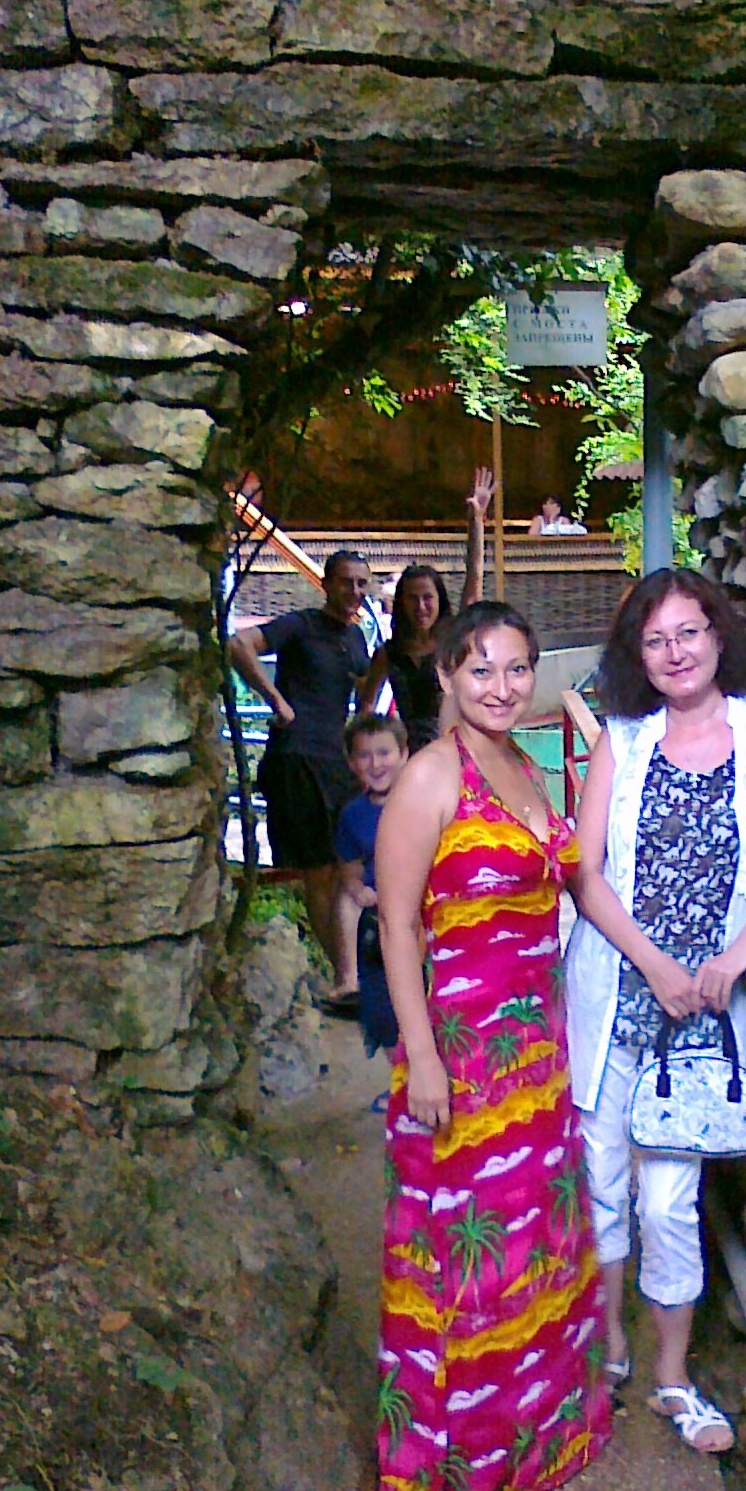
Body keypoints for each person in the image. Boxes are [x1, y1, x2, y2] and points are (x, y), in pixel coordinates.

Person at [371, 600, 612, 1491]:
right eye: (481, 670)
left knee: (531, 1247)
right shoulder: (430, 776)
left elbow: (573, 874)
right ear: (445, 675)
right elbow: (396, 926)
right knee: (465, 1262)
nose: (502, 688)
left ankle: (539, 1438)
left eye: (516, 669)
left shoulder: (524, 766)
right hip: (461, 1057)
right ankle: (457, 1459)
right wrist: (423, 1058)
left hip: (537, 1055)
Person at [566, 568, 746, 1454]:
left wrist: (736, 955)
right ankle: (608, 1349)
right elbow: (585, 871)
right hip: (617, 989)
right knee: (600, 1180)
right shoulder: (623, 740)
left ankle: (672, 1377)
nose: (675, 653)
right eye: (655, 640)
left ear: (717, 636)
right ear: (638, 656)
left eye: (688, 633)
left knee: (668, 1200)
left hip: (706, 1013)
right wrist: (655, 964)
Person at [232, 550, 374, 1009]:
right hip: (297, 758)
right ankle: (345, 981)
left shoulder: (355, 638)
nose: (354, 591)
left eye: (362, 583)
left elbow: (365, 691)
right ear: (326, 584)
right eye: (347, 581)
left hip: (337, 763)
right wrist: (277, 702)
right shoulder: (301, 625)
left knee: (347, 870)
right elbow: (239, 645)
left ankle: (354, 976)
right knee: (318, 871)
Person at [362, 467, 494, 752]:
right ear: (401, 603)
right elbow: (367, 705)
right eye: (412, 598)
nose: (421, 606)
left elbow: (474, 579)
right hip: (411, 756)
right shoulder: (389, 654)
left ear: (439, 600)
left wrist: (476, 521)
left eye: (427, 597)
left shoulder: (453, 641)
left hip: (455, 752)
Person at [335, 712, 412, 1106]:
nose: (376, 764)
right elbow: (349, 868)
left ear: (404, 755)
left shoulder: (420, 804)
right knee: (381, 1006)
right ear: (352, 763)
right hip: (377, 922)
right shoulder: (353, 815)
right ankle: (403, 1081)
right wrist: (357, 889)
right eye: (365, 756)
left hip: (420, 920)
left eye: (384, 753)